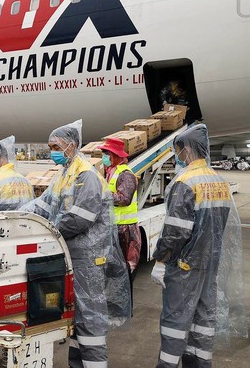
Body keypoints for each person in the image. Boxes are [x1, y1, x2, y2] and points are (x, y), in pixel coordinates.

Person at [20, 120, 131, 368]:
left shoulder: (86, 175)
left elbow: (79, 219)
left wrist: (50, 232)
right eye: (50, 147)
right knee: (76, 317)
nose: (52, 152)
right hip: (74, 256)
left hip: (89, 259)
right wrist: (20, 216)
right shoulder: (65, 174)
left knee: (90, 318)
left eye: (55, 146)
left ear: (71, 145)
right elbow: (45, 203)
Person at [150, 124, 247, 367]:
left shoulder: (184, 182)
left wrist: (161, 260)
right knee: (203, 325)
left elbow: (175, 231)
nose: (177, 155)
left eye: (178, 150)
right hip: (209, 266)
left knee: (175, 325)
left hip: (184, 269)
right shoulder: (220, 182)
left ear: (187, 150)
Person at [98, 137, 141, 309]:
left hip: (126, 231)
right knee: (114, 269)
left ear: (115, 155)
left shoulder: (125, 174)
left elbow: (124, 199)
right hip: (115, 228)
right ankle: (115, 304)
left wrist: (101, 196)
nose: (104, 157)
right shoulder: (110, 172)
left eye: (106, 153)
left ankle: (124, 307)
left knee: (125, 269)